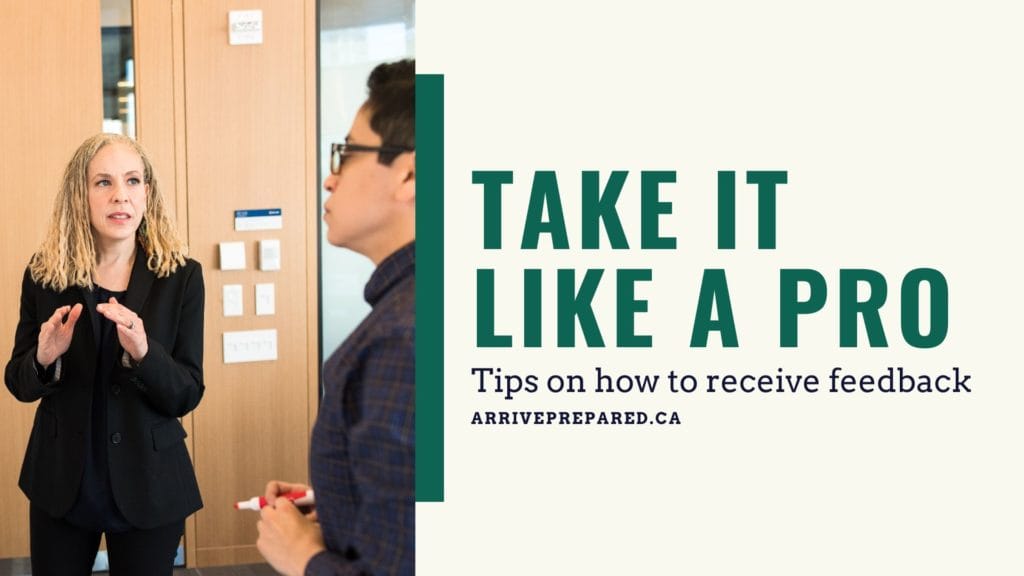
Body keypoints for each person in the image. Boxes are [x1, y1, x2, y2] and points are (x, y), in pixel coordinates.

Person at [4, 133, 205, 575]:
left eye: (132, 181)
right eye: (103, 182)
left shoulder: (181, 277)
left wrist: (146, 354)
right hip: (62, 479)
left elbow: (187, 393)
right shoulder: (44, 274)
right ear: (80, 194)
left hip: (149, 480)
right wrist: (43, 358)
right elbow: (18, 381)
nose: (120, 195)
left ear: (147, 192)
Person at [255, 59, 415, 576]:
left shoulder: (402, 341)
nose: (330, 178)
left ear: (410, 174)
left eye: (346, 154)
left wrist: (302, 557)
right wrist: (343, 499)